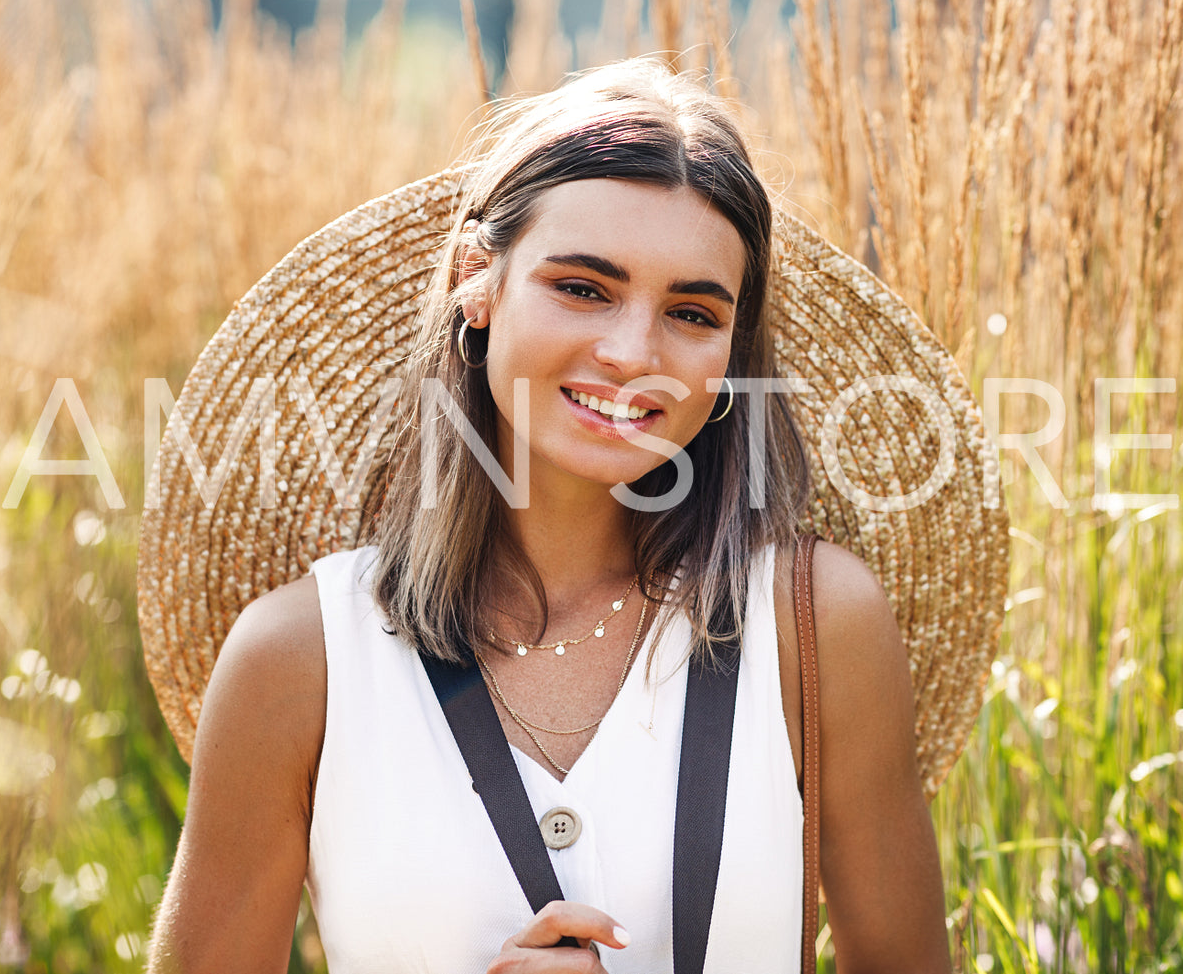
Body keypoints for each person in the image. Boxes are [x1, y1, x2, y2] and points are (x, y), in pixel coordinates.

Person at [140, 56, 1002, 974]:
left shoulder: (816, 624)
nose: (633, 351)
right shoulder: (299, 660)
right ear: (477, 281)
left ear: (727, 356)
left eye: (692, 312)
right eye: (583, 287)